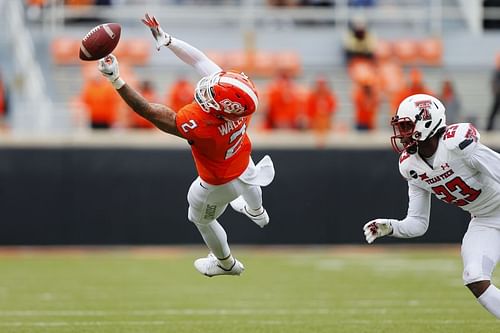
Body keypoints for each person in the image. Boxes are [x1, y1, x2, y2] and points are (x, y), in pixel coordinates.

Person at [97, 14, 275, 277]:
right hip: (241, 160)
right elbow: (200, 60)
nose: (208, 89)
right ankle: (257, 212)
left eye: (214, 94)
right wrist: (168, 40)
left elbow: (149, 111)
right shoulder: (242, 107)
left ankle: (225, 263)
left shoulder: (201, 124)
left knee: (200, 218)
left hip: (219, 182)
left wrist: (116, 80)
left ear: (224, 108)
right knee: (250, 172)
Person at [363, 93, 500, 319]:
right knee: (474, 277)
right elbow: (418, 223)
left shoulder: (457, 143)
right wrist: (391, 227)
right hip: (484, 220)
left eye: (406, 126)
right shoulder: (411, 166)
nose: (401, 134)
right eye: (400, 126)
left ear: (427, 121)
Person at [486, 54, 500, 131]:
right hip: (498, 95)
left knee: (493, 112)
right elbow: (494, 83)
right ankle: (489, 127)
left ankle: (489, 127)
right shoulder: (496, 71)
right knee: (493, 112)